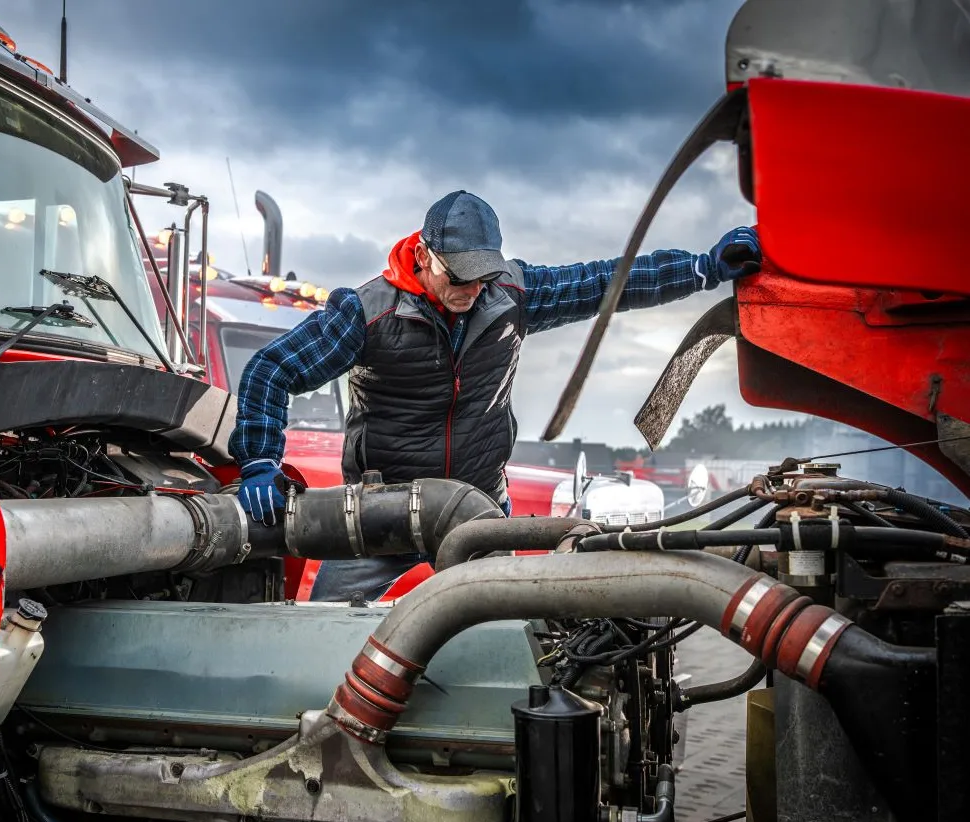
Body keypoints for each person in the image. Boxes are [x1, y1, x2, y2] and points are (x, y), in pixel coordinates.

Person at [229, 190, 761, 601]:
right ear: (424, 255)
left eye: (482, 277)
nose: (471, 291)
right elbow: (270, 370)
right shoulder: (367, 315)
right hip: (380, 512)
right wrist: (259, 461)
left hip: (478, 507)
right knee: (325, 629)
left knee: (504, 637)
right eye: (459, 277)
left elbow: (607, 282)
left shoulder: (510, 295)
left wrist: (703, 268)